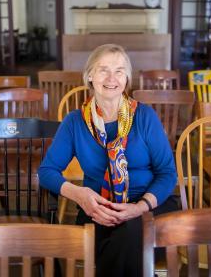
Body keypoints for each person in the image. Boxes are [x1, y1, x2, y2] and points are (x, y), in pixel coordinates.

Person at [38, 44, 177, 277]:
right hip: (98, 209)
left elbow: (167, 173)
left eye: (119, 71)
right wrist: (80, 195)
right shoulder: (74, 122)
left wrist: (138, 207)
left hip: (150, 206)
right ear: (90, 76)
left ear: (127, 79)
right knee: (123, 243)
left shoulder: (144, 116)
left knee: (130, 233)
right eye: (103, 70)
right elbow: (47, 171)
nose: (112, 78)